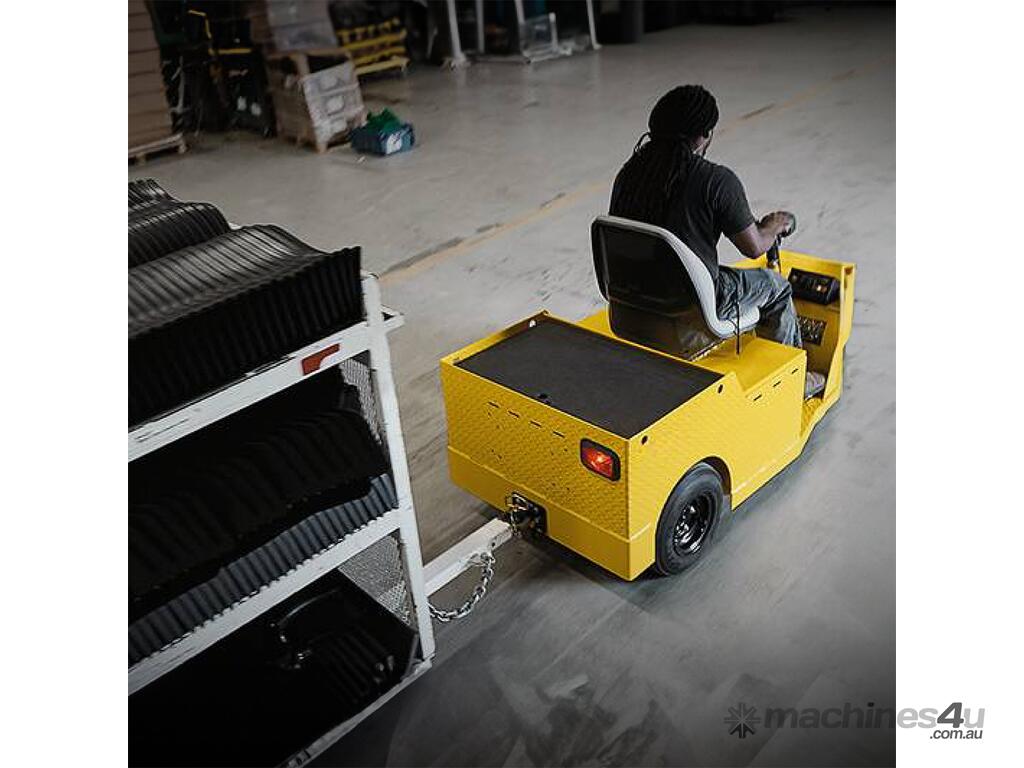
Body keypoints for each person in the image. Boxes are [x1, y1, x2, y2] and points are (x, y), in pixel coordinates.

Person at [610, 84, 825, 397]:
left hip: (629, 312)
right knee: (776, 287)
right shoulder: (716, 181)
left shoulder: (629, 174)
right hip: (687, 320)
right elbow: (753, 247)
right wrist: (774, 225)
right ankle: (794, 384)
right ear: (705, 135)